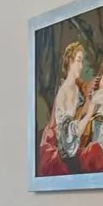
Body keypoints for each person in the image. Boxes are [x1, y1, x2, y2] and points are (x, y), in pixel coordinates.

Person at [36, 39, 89, 178]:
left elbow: (78, 114)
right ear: (69, 61)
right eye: (78, 60)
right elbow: (67, 144)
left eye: (82, 61)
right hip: (63, 154)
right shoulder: (63, 92)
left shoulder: (77, 89)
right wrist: (90, 112)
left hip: (74, 146)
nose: (81, 66)